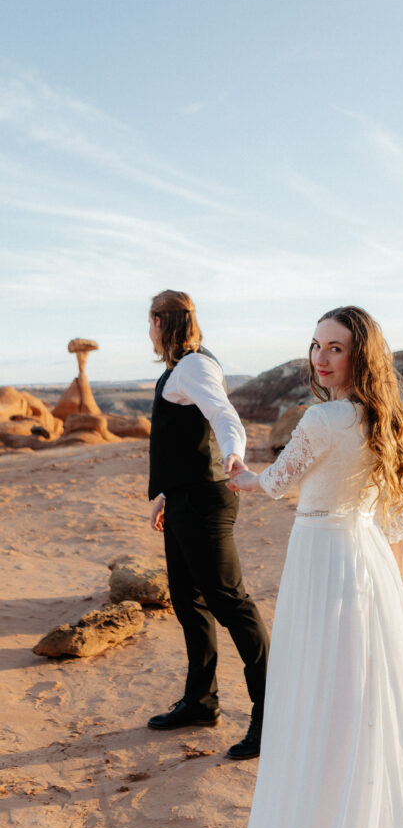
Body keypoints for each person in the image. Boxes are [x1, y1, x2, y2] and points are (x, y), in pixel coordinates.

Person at [172, 305, 403, 828]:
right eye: (317, 345)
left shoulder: (321, 418)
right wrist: (399, 591)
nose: (322, 358)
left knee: (323, 705)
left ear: (359, 357)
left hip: (324, 562)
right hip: (370, 566)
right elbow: (397, 518)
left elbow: (274, 484)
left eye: (337, 348)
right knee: (359, 707)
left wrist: (239, 474)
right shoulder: (385, 420)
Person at [146, 289, 269, 760]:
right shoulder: (180, 367)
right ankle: (201, 702)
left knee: (230, 604)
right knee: (188, 603)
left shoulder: (194, 366)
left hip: (205, 501)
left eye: (151, 321)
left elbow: (224, 415)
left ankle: (270, 711)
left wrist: (234, 453)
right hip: (183, 500)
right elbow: (180, 440)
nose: (149, 330)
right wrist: (163, 494)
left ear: (161, 321)